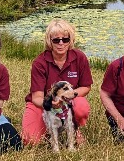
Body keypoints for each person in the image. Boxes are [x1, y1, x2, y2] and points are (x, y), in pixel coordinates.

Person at [21, 18, 91, 147]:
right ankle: (49, 130)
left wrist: (68, 96)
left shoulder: (80, 57)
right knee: (30, 140)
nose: (61, 43)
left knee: (81, 106)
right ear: (49, 41)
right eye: (56, 40)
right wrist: (51, 104)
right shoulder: (39, 63)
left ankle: (74, 129)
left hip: (69, 100)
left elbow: (86, 86)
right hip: (44, 103)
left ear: (71, 40)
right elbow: (37, 97)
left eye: (65, 39)